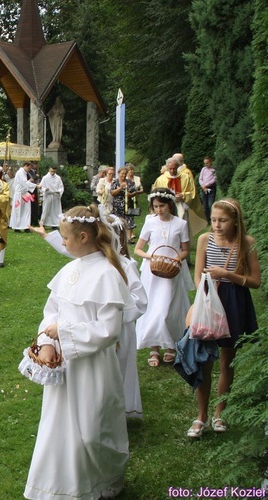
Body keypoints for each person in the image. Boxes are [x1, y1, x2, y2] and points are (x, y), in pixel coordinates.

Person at [23, 205, 131, 500]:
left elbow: (109, 329)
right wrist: (47, 343)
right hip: (65, 363)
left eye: (66, 238)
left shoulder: (108, 274)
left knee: (91, 424)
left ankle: (98, 480)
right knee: (60, 423)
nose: (63, 243)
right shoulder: (69, 269)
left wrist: (65, 333)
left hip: (92, 365)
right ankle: (61, 484)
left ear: (83, 237)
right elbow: (51, 311)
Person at [186, 198, 261, 438]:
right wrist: (204, 297)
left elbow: (256, 281)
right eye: (214, 220)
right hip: (210, 301)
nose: (217, 225)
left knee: (227, 361)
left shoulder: (246, 243)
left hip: (235, 303)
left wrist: (227, 274)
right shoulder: (204, 240)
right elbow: (198, 276)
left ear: (236, 222)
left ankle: (220, 414)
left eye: (223, 220)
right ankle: (201, 416)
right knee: (204, 360)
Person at [134, 188, 194, 367]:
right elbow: (138, 248)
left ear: (170, 205)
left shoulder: (180, 224)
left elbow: (185, 250)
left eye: (161, 206)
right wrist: (151, 257)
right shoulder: (150, 222)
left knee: (167, 309)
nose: (158, 210)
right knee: (152, 308)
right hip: (153, 270)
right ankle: (153, 347)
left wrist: (176, 259)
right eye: (155, 207)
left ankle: (170, 346)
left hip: (172, 270)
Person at [9, 162, 40, 232]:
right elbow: (24, 183)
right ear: (25, 166)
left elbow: (25, 183)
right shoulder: (20, 173)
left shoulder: (24, 173)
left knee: (27, 210)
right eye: (29, 168)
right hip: (19, 194)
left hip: (25, 193)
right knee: (18, 211)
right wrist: (36, 185)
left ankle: (26, 226)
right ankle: (17, 227)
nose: (29, 169)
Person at [199, 157, 217, 222]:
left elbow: (214, 179)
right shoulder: (203, 169)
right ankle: (207, 220)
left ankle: (213, 218)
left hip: (211, 188)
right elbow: (200, 179)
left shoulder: (214, 170)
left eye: (207, 163)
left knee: (210, 205)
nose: (206, 164)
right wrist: (203, 186)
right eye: (205, 163)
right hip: (204, 189)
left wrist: (206, 185)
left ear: (210, 162)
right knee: (205, 206)